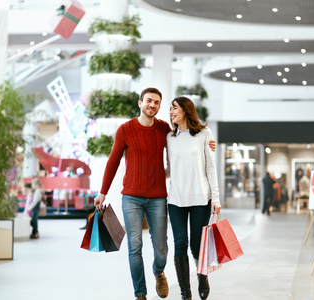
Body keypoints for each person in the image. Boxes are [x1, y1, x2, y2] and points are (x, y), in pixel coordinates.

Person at [94, 87, 216, 300]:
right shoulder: (125, 130)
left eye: (157, 102)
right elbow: (113, 162)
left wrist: (208, 144)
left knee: (161, 249)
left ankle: (158, 271)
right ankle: (140, 293)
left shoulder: (164, 130)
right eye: (149, 101)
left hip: (158, 197)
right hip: (131, 197)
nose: (153, 105)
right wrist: (103, 192)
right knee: (135, 246)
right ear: (140, 103)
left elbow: (183, 148)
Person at [166, 97, 221, 300]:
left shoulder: (204, 134)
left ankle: (202, 276)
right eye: (170, 109)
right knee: (180, 242)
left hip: (200, 198)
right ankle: (185, 292)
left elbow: (210, 167)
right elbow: (169, 169)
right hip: (176, 199)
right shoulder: (169, 137)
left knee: (196, 245)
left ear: (186, 111)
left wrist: (215, 197)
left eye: (174, 108)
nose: (171, 112)